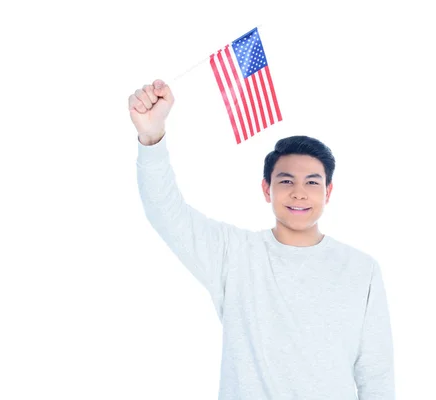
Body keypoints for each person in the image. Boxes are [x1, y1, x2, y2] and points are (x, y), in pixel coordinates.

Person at [128, 78, 395, 399]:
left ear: (328, 191)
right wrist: (151, 136)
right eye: (286, 180)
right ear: (267, 188)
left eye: (312, 182)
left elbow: (376, 374)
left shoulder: (361, 269)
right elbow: (165, 212)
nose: (299, 192)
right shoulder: (235, 254)